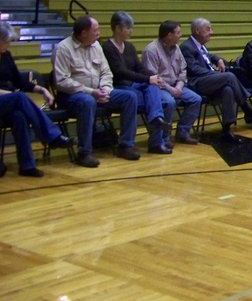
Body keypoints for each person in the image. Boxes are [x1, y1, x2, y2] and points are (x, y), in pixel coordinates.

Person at [53, 15, 140, 167]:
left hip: (98, 92)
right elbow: (62, 81)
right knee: (87, 101)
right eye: (96, 30)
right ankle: (84, 152)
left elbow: (106, 72)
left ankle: (125, 145)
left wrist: (105, 89)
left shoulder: (96, 46)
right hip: (72, 96)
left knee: (129, 97)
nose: (99, 33)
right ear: (84, 33)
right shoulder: (63, 49)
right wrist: (91, 92)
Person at [0, 21, 72, 177]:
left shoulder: (6, 55)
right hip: (5, 98)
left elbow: (18, 80)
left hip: (6, 102)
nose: (9, 45)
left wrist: (41, 89)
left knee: (19, 116)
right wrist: (10, 95)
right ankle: (52, 136)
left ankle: (27, 166)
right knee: (19, 97)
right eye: (6, 42)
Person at [180, 17, 252, 143]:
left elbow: (207, 56)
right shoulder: (186, 47)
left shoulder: (199, 45)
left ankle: (227, 129)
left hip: (208, 81)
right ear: (197, 31)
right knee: (229, 76)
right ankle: (248, 111)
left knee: (228, 90)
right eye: (208, 29)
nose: (212, 32)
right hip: (196, 83)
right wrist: (214, 73)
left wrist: (218, 59)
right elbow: (194, 70)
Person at [101, 11, 172, 154]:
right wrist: (147, 79)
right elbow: (120, 72)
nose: (131, 31)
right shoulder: (107, 48)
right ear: (117, 28)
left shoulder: (129, 47)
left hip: (133, 85)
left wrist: (154, 76)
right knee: (155, 101)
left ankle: (156, 121)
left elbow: (139, 67)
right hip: (118, 85)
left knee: (154, 89)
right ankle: (151, 139)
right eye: (128, 28)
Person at [141, 21, 202, 147]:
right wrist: (171, 90)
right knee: (169, 102)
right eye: (178, 32)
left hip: (176, 85)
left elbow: (183, 69)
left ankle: (183, 132)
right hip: (159, 88)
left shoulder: (177, 48)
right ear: (169, 35)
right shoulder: (151, 50)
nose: (181, 35)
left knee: (196, 99)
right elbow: (153, 77)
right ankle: (164, 137)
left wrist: (179, 86)